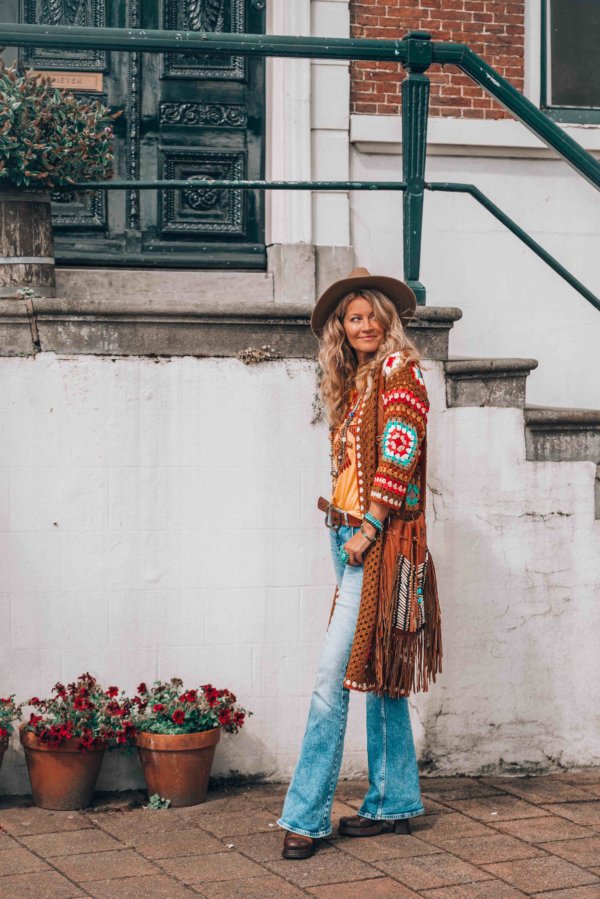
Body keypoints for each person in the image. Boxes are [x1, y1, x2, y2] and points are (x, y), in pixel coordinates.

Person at [277, 267, 443, 860]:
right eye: (354, 318)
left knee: (331, 679)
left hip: (376, 541)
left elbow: (401, 448)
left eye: (373, 315)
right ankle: (394, 802)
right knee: (378, 670)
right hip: (347, 535)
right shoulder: (356, 383)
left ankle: (305, 816)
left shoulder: (400, 372)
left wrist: (370, 525)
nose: (365, 324)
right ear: (341, 330)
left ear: (388, 320)